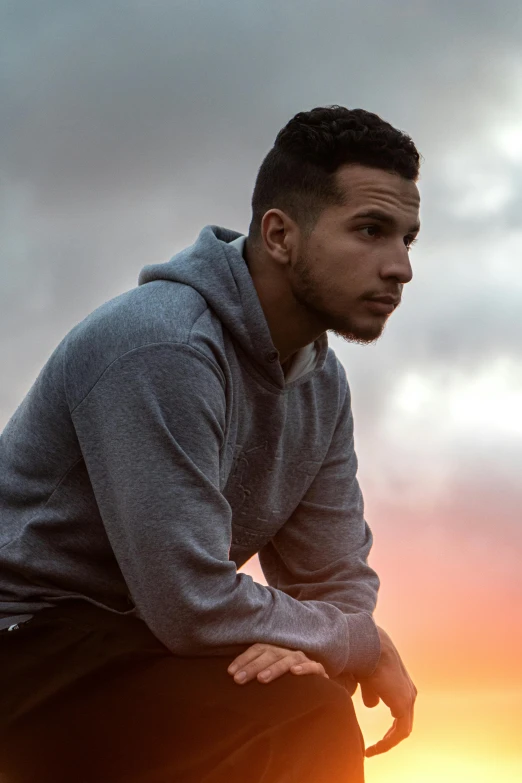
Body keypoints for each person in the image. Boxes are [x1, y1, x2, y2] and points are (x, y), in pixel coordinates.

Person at [0, 105, 420, 782]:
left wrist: (325, 647)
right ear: (280, 234)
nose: (399, 267)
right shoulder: (162, 344)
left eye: (407, 239)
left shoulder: (321, 383)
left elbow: (332, 578)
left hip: (141, 644)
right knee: (299, 717)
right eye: (371, 231)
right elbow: (191, 600)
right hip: (25, 641)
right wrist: (354, 646)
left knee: (298, 695)